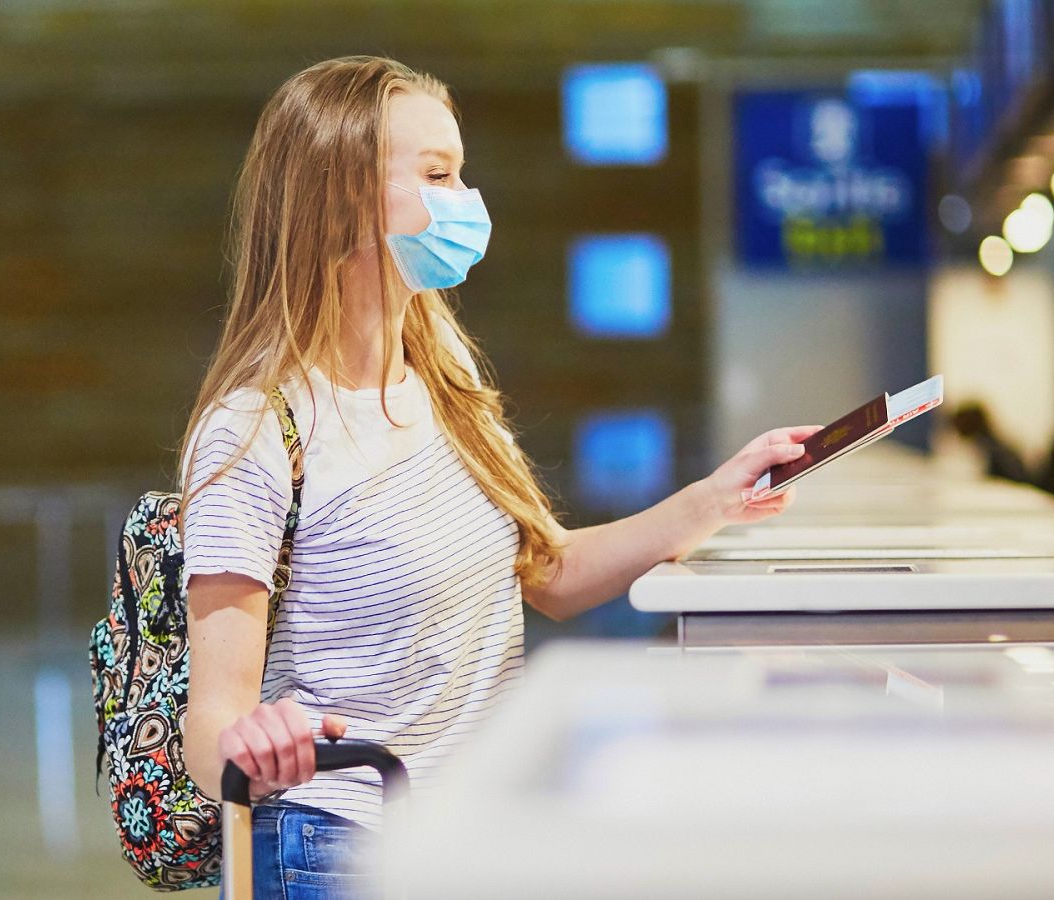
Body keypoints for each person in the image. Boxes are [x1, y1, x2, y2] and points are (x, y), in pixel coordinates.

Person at [175, 55, 815, 897]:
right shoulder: (256, 431)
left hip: (466, 831)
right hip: (337, 848)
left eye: (461, 172)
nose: (466, 201)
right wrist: (253, 744)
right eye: (438, 174)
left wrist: (715, 498)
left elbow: (546, 573)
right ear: (341, 197)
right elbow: (208, 724)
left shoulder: (443, 384)